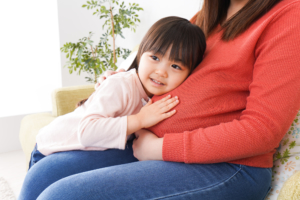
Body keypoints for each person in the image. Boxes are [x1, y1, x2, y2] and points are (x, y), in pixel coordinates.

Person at [19, 0, 300, 199]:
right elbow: (156, 66)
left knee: (62, 196)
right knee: (43, 174)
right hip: (146, 141)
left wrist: (161, 148)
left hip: (229, 166)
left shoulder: (289, 16)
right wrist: (123, 79)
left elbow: (262, 131)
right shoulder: (208, 14)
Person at [27, 16, 206, 169]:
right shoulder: (121, 85)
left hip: (82, 153)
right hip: (51, 148)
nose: (161, 71)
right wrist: (140, 120)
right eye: (155, 58)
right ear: (141, 54)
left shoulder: (156, 96)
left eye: (175, 66)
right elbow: (87, 132)